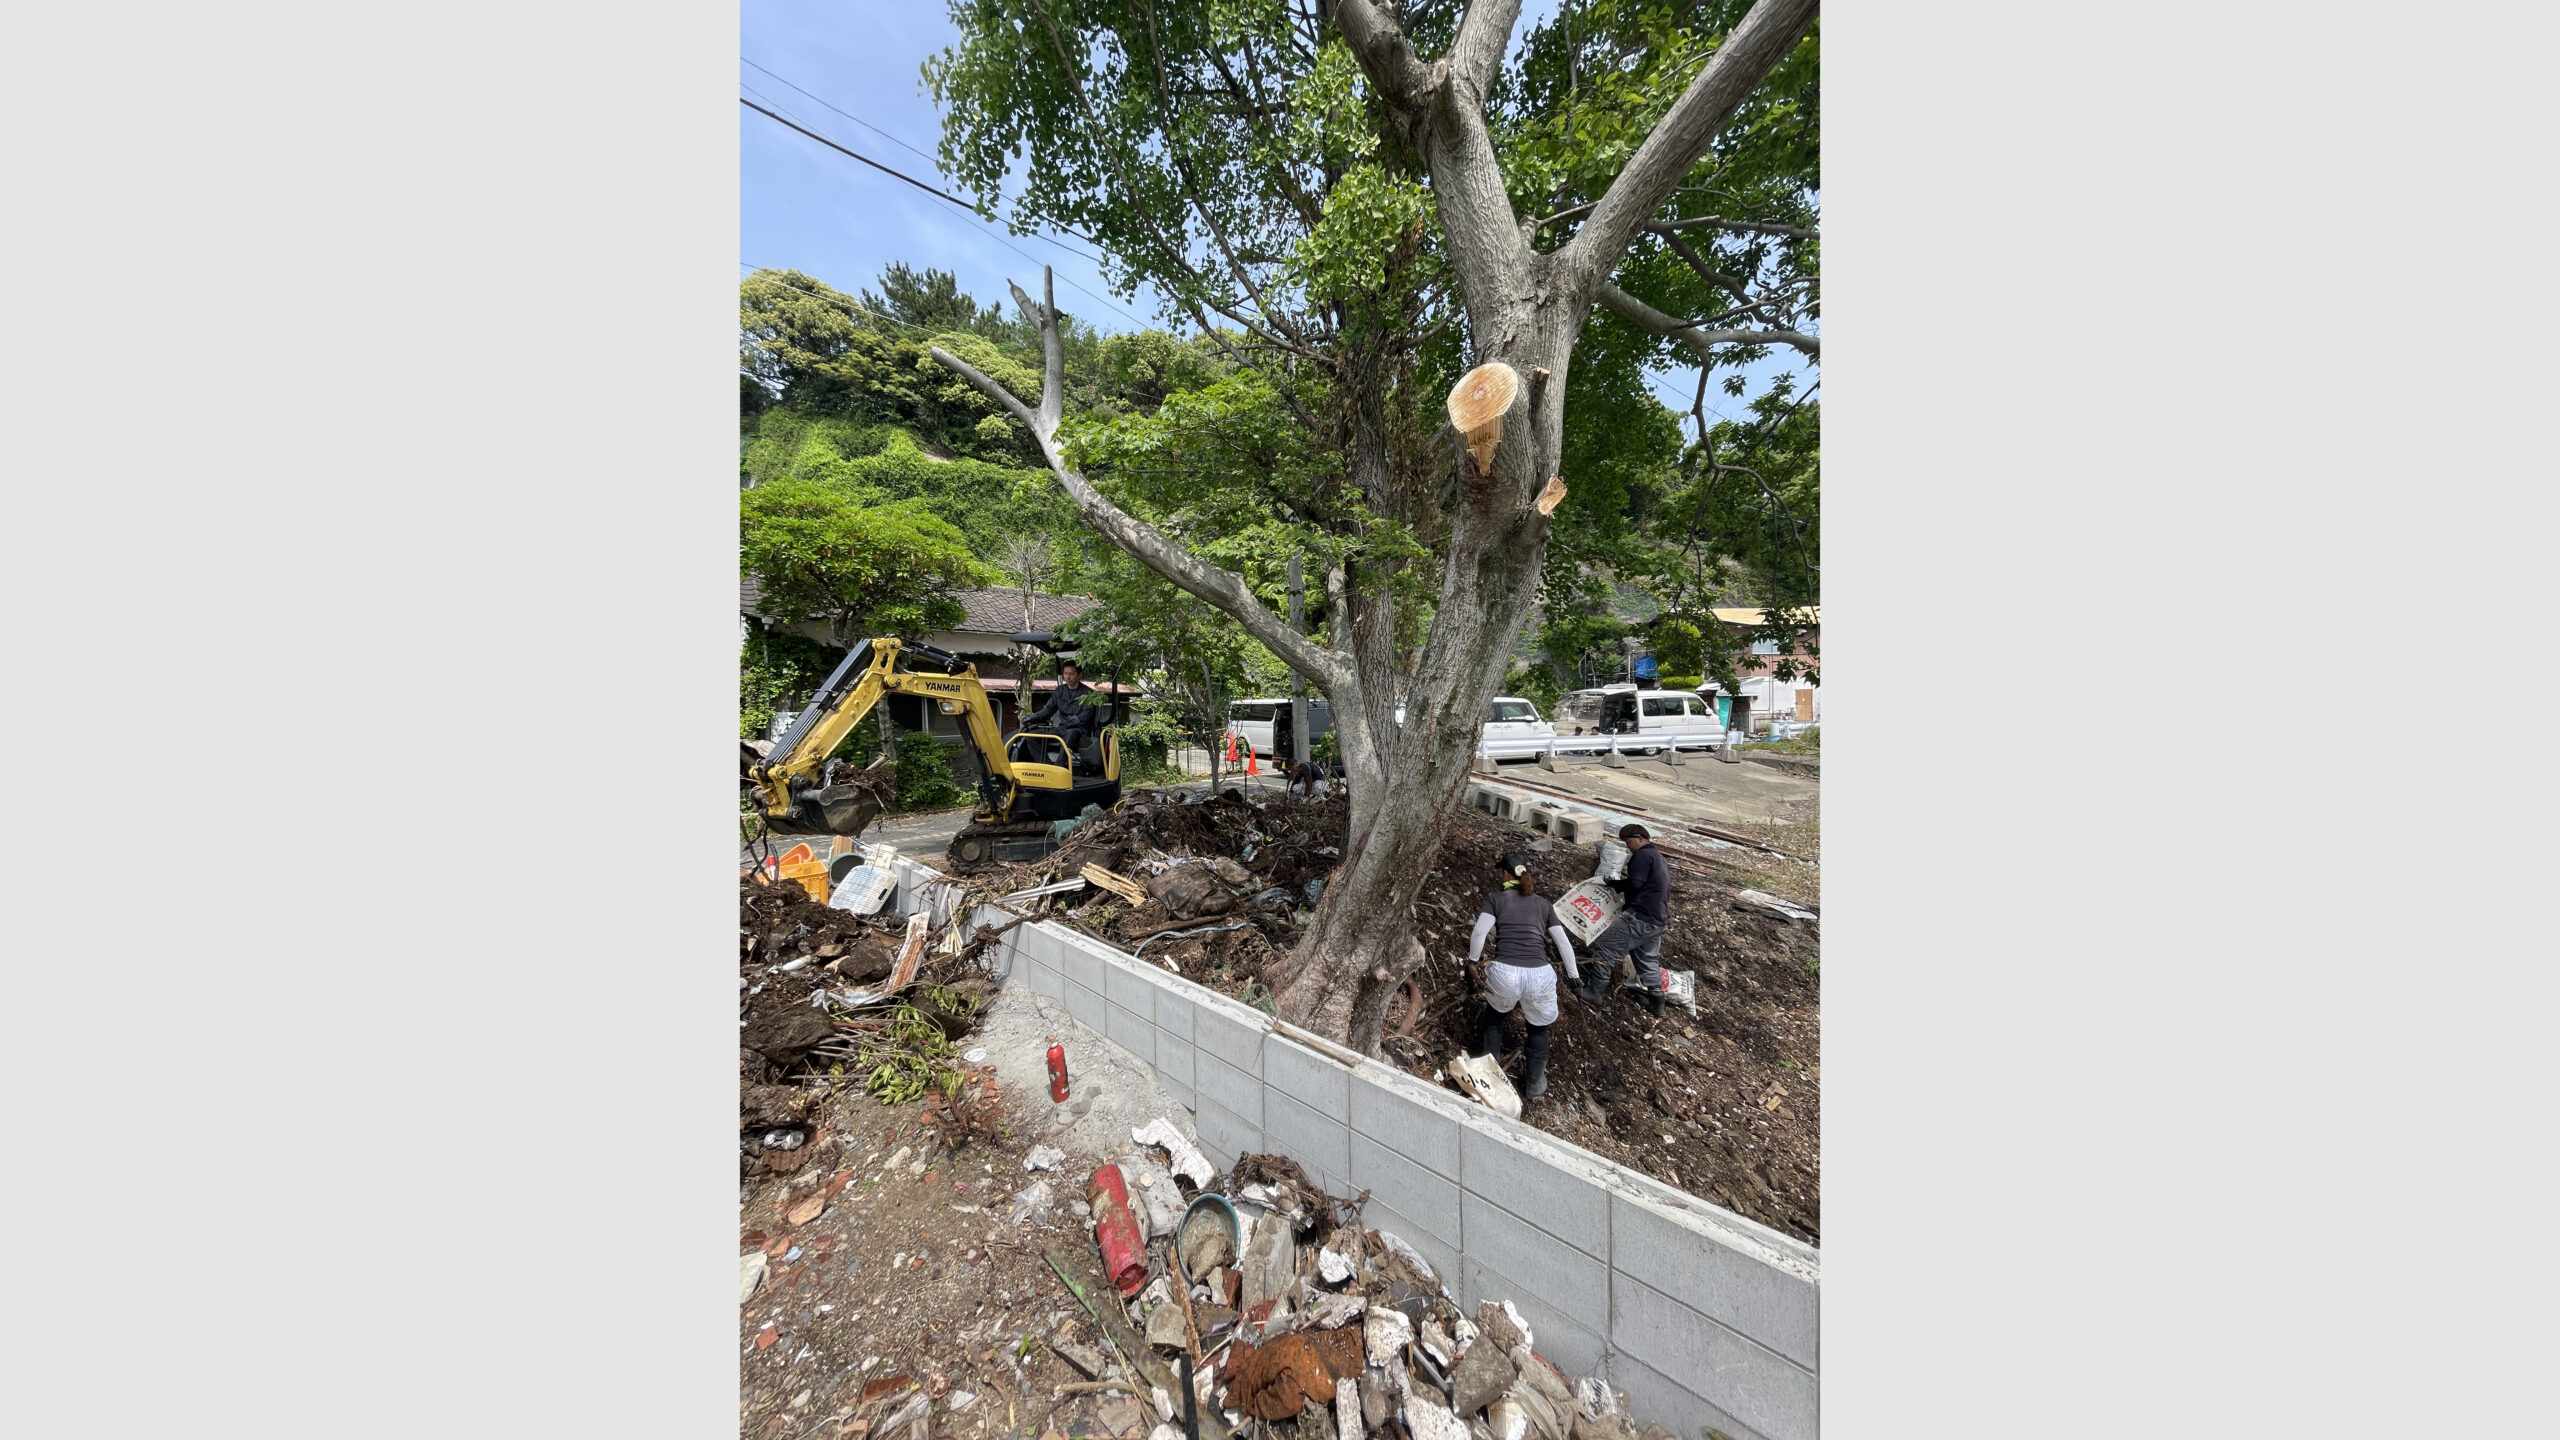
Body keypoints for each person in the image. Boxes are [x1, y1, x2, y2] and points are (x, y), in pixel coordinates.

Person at [1461, 851, 1580, 1100]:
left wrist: (1472, 960)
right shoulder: (1544, 904)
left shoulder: (1496, 899)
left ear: (1505, 873)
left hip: (1506, 973)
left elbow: (1480, 933)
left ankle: (1489, 1077)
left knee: (1495, 1017)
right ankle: (1535, 1084)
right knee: (1538, 1029)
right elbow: (1563, 943)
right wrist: (1574, 975)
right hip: (1540, 975)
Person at [1578, 823, 1671, 1017]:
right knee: (1646, 960)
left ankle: (1594, 993)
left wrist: (1614, 883)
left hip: (1640, 917)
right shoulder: (1659, 858)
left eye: (1629, 842)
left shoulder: (1643, 856)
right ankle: (1657, 1004)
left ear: (1640, 838)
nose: (1628, 847)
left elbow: (1635, 884)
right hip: (1658, 920)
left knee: (1606, 947)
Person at [1025, 661, 1099, 744]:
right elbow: (1048, 710)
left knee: (1070, 734)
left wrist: (1079, 718)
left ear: (1080, 675)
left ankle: (1064, 757)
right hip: (1063, 728)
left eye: (1071, 674)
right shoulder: (1059, 691)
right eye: (1065, 673)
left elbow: (1088, 712)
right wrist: (1032, 717)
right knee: (1031, 736)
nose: (1068, 677)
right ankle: (1044, 758)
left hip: (1079, 730)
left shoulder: (1088, 692)